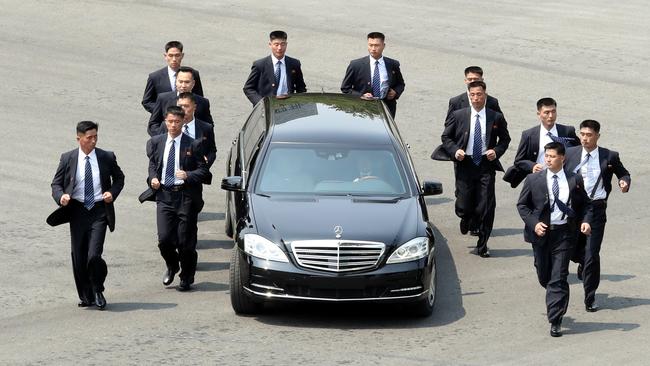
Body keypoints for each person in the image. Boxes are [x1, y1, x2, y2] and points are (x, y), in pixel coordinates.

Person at [517, 142, 592, 337]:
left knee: (558, 276)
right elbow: (522, 205)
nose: (548, 159)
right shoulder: (534, 179)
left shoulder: (574, 180)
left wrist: (585, 221)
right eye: (546, 156)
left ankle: (556, 319)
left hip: (565, 234)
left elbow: (586, 205)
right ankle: (556, 296)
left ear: (562, 158)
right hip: (541, 234)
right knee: (545, 276)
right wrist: (534, 223)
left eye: (552, 156)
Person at [48, 121, 125, 310]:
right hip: (78, 212)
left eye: (95, 137)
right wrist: (62, 197)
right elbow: (56, 184)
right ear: (79, 138)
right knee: (79, 257)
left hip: (99, 211)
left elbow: (119, 178)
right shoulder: (68, 158)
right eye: (89, 137)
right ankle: (85, 295)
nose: (93, 141)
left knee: (94, 255)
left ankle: (97, 289)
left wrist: (112, 193)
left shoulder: (106, 157)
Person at [565, 119, 631, 312]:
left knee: (592, 254)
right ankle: (582, 262)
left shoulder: (609, 156)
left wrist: (624, 182)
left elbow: (623, 173)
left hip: (596, 209)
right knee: (575, 250)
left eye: (589, 135)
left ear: (597, 136)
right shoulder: (570, 153)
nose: (585, 138)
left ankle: (590, 296)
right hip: (574, 209)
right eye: (582, 134)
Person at [439, 80, 510, 257]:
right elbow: (446, 137)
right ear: (469, 96)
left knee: (486, 206)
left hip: (485, 165)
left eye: (479, 94)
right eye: (472, 95)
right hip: (465, 164)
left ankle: (483, 244)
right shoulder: (459, 115)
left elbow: (505, 139)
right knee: (464, 203)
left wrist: (496, 151)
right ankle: (465, 217)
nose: (476, 98)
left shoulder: (495, 117)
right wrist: (456, 151)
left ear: (485, 95)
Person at [144, 106, 209, 291]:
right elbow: (153, 165)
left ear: (183, 122)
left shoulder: (193, 144)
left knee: (185, 242)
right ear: (165, 121)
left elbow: (204, 171)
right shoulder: (156, 142)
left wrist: (188, 175)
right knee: (164, 239)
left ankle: (187, 276)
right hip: (164, 196)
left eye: (177, 122)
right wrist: (153, 179)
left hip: (185, 197)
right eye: (170, 121)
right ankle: (172, 265)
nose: (173, 125)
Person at [503, 97, 579, 188]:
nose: (551, 116)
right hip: (539, 179)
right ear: (539, 114)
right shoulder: (529, 135)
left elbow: (579, 152)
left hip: (563, 179)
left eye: (553, 111)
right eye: (546, 112)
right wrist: (533, 166)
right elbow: (519, 160)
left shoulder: (567, 131)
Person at [341, 32, 405, 118]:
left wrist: (395, 92)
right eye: (370, 45)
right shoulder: (356, 65)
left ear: (383, 45)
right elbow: (345, 88)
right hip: (363, 109)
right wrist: (361, 96)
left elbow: (401, 84)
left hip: (386, 108)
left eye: (377, 45)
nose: (373, 48)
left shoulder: (392, 64)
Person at [243, 30, 307, 105]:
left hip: (288, 107)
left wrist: (298, 103)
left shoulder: (294, 64)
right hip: (267, 109)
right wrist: (262, 103)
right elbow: (248, 88)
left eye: (282, 44)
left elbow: (301, 88)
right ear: (270, 45)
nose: (279, 48)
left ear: (286, 44)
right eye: (276, 44)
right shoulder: (260, 65)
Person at [148, 66, 213, 136]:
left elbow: (209, 125)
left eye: (187, 82)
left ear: (193, 83)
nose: (183, 85)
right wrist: (162, 139)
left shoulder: (203, 102)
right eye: (180, 81)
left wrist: (200, 140)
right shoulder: (163, 99)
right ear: (176, 82)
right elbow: (153, 124)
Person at [141, 41, 204, 113]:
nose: (174, 59)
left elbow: (199, 98)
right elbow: (147, 101)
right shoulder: (155, 77)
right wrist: (164, 112)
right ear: (165, 56)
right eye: (170, 55)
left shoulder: (193, 74)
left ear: (182, 55)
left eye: (177, 55)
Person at [159, 92, 217, 168]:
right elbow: (159, 147)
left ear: (194, 107)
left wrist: (206, 162)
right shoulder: (166, 125)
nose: (183, 109)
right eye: (180, 106)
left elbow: (212, 150)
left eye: (186, 106)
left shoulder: (206, 128)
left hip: (197, 173)